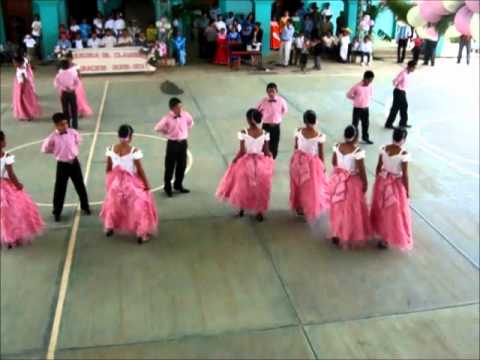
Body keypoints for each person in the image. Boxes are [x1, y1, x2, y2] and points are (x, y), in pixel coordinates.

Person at [100, 125, 158, 244]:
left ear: (118, 135)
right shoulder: (134, 151)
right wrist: (146, 184)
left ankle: (109, 227)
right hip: (131, 184)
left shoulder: (111, 149)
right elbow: (140, 170)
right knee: (140, 206)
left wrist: (110, 181)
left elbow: (108, 168)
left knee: (113, 204)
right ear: (130, 137)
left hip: (116, 183)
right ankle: (142, 234)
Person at [216, 109, 274, 222]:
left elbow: (242, 151)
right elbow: (266, 151)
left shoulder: (243, 132)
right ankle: (259, 211)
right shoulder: (265, 133)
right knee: (260, 188)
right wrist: (270, 157)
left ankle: (242, 208)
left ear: (248, 119)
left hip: (246, 163)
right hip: (261, 163)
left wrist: (235, 159)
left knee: (244, 186)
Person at [41, 113, 91, 222]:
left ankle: (85, 206)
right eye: (61, 124)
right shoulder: (52, 138)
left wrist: (73, 152)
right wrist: (56, 152)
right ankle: (57, 211)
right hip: (62, 165)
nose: (65, 126)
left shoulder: (73, 133)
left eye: (66, 123)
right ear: (56, 125)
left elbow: (78, 141)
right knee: (60, 189)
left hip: (74, 162)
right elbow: (45, 149)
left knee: (80, 185)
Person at [0, 131, 44, 248]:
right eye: (4, 140)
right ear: (1, 143)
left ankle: (6, 237)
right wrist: (18, 185)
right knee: (11, 214)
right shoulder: (6, 157)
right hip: (5, 188)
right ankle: (12, 237)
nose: (5, 141)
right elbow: (11, 174)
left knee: (3, 216)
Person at [370, 127, 412, 251]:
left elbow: (378, 167)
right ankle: (386, 238)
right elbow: (405, 174)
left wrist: (379, 180)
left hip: (382, 181)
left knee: (381, 207)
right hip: (395, 185)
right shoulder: (403, 154)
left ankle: (380, 232)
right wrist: (407, 190)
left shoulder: (383, 149)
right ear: (403, 139)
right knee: (393, 211)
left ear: (393, 136)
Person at [329, 125, 371, 249]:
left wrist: (341, 169)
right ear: (356, 136)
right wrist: (365, 183)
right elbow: (362, 170)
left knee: (338, 207)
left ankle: (336, 232)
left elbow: (333, 162)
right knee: (351, 209)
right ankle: (348, 232)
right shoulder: (357, 152)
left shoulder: (337, 146)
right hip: (352, 182)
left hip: (338, 180)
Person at [289, 110, 329, 222]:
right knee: (311, 187)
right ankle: (309, 207)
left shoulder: (298, 131)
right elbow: (321, 154)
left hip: (298, 160)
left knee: (298, 184)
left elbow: (296, 146)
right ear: (315, 121)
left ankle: (299, 206)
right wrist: (322, 167)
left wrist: (295, 159)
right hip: (312, 164)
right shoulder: (319, 136)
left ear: (304, 120)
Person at [154, 98, 193, 197]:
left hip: (183, 143)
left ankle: (178, 185)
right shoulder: (167, 118)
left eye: (181, 106)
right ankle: (167, 188)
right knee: (170, 167)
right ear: (173, 108)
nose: (181, 108)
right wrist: (166, 132)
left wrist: (184, 131)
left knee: (182, 165)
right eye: (178, 107)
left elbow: (191, 122)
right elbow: (157, 128)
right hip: (172, 144)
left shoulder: (185, 114)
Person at [256, 83, 288, 159]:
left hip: (276, 126)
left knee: (275, 143)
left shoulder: (281, 100)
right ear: (267, 92)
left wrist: (277, 117)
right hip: (266, 125)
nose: (271, 93)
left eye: (273, 91)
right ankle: (264, 159)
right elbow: (257, 110)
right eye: (269, 91)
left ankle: (273, 158)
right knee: (264, 143)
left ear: (276, 91)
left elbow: (285, 110)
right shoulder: (263, 101)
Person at [385, 60, 416, 129]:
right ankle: (388, 124)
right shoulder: (403, 73)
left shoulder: (408, 73)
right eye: (413, 67)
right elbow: (394, 81)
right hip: (399, 92)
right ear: (410, 67)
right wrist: (398, 86)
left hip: (403, 92)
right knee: (395, 109)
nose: (414, 69)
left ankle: (403, 123)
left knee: (404, 107)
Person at [347, 70, 375, 145]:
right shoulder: (357, 86)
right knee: (355, 125)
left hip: (365, 108)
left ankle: (365, 137)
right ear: (365, 78)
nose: (370, 82)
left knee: (366, 124)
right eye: (369, 80)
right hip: (357, 108)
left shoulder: (370, 86)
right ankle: (353, 139)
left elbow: (370, 94)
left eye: (371, 80)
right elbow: (349, 94)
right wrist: (355, 99)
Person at [12, 56, 41, 121]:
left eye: (15, 63)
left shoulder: (22, 70)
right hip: (19, 85)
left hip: (23, 87)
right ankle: (22, 114)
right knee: (20, 102)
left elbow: (25, 80)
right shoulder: (19, 67)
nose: (14, 64)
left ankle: (29, 115)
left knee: (25, 102)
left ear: (20, 63)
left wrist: (22, 90)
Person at [65, 52, 92, 118]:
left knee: (78, 98)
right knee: (69, 99)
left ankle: (81, 112)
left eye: (69, 59)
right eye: (67, 59)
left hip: (77, 85)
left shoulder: (76, 66)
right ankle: (71, 112)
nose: (68, 60)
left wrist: (77, 82)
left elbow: (79, 75)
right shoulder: (64, 66)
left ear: (72, 58)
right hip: (68, 85)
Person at [54, 59, 79, 129]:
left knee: (65, 110)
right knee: (74, 109)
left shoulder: (59, 75)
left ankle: (67, 124)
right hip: (72, 93)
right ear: (68, 65)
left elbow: (56, 84)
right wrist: (72, 88)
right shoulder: (73, 74)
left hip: (64, 93)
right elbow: (78, 83)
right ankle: (75, 124)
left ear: (61, 66)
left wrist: (64, 88)